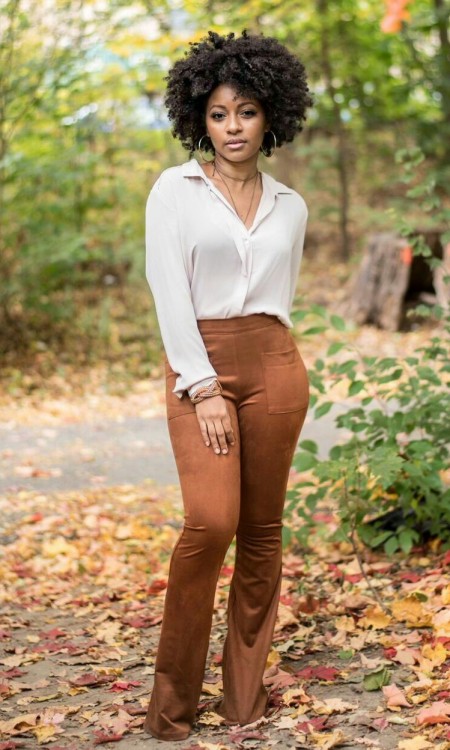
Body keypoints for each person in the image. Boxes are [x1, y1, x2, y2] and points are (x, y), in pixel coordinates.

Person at [143, 29, 313, 741]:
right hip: (199, 364)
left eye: (245, 111)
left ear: (271, 113)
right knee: (211, 523)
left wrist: (261, 365)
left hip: (274, 361)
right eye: (218, 114)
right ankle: (172, 704)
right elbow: (167, 290)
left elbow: (281, 300)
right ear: (198, 118)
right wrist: (203, 386)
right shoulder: (174, 191)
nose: (233, 127)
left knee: (264, 533)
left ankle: (244, 699)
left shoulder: (291, 205)